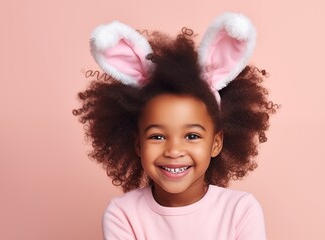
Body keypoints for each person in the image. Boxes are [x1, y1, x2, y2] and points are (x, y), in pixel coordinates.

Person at [73, 12, 276, 240]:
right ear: (138, 144)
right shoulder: (123, 214)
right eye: (157, 137)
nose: (173, 151)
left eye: (191, 136)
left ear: (216, 143)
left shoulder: (240, 210)